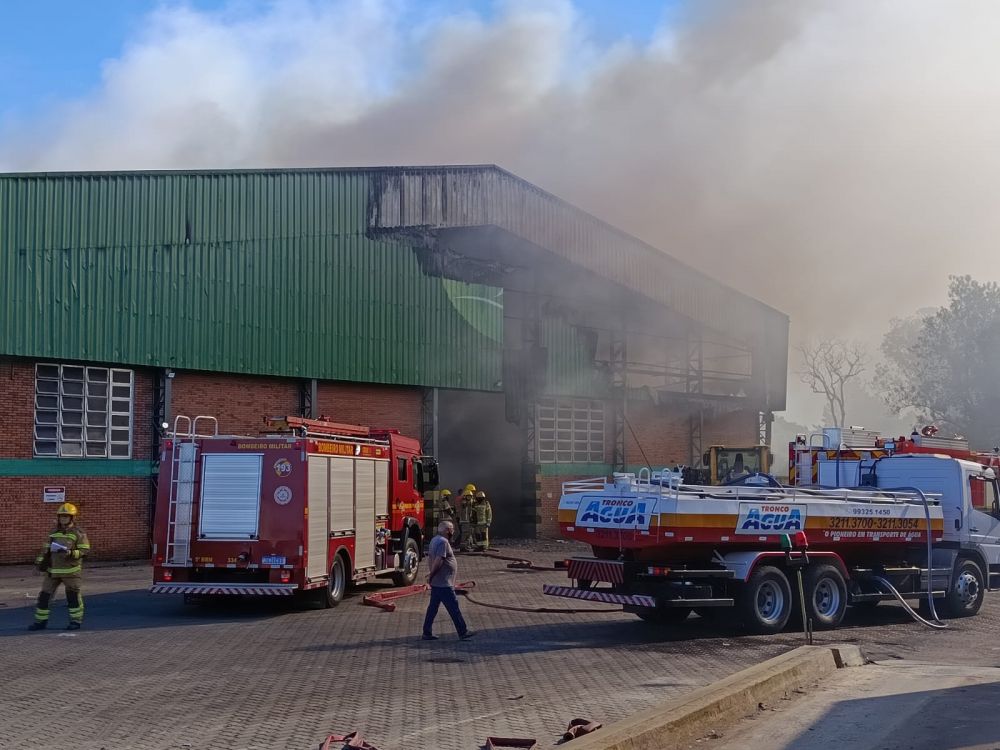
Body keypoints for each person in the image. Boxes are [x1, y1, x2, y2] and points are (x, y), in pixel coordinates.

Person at [29, 502, 90, 631]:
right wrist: (38, 565)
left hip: (71, 572)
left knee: (73, 597)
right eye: (61, 517)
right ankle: (40, 622)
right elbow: (45, 551)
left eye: (66, 517)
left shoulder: (78, 533)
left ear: (72, 518)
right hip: (52, 572)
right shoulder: (53, 533)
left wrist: (70, 553)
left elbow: (84, 552)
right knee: (44, 597)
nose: (63, 519)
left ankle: (75, 621)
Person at [422, 520, 474, 641]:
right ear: (446, 530)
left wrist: (432, 577)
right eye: (451, 529)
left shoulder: (435, 540)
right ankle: (463, 631)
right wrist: (432, 575)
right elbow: (439, 560)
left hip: (438, 583)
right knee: (453, 607)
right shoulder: (443, 542)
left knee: (432, 608)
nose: (453, 531)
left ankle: (427, 632)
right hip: (444, 584)